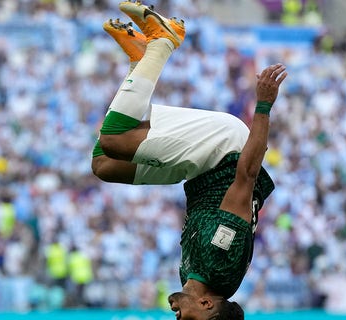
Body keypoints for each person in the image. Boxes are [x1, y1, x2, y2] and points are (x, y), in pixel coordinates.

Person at [90, 1, 287, 318]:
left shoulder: (192, 277)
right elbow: (246, 177)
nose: (178, 319)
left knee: (104, 164)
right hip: (224, 151)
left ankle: (139, 60)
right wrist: (263, 107)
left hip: (199, 170)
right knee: (115, 139)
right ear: (207, 305)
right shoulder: (221, 265)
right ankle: (164, 41)